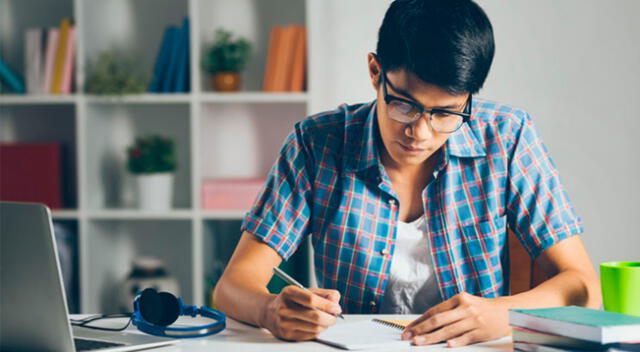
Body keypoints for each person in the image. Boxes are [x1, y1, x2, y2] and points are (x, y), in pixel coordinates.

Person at [213, 0, 601, 347]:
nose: (420, 132)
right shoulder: (317, 143)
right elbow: (233, 285)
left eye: (446, 113)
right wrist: (269, 310)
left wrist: (503, 313)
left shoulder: (508, 136)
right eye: (404, 105)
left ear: (468, 98)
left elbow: (582, 285)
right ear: (375, 71)